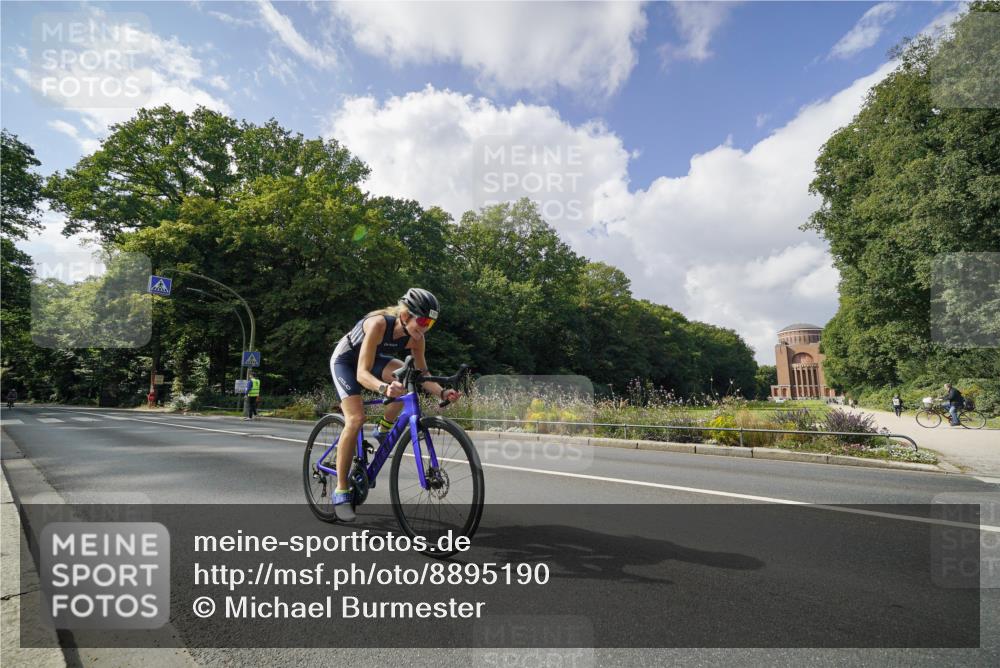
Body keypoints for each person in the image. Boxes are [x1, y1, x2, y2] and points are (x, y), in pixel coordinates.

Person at [328, 288, 460, 522]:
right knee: (356, 419)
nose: (426, 327)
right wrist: (383, 389)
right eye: (422, 320)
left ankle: (383, 429)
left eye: (431, 323)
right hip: (347, 362)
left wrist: (442, 392)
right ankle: (341, 491)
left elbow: (423, 373)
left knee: (406, 380)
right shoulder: (379, 324)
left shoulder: (417, 338)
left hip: (377, 361)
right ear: (406, 314)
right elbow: (361, 373)